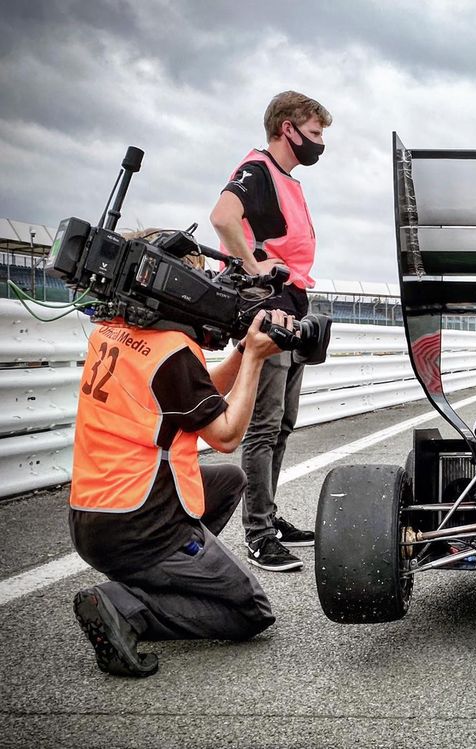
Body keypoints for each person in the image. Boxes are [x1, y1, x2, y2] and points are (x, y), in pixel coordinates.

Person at [70, 306, 292, 677]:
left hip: (91, 516)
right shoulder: (171, 351)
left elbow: (195, 389)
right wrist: (254, 357)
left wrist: (239, 352)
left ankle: (162, 578)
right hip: (142, 523)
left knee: (230, 481)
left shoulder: (111, 331)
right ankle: (127, 606)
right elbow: (226, 434)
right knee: (251, 610)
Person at [210, 91, 332, 572]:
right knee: (263, 426)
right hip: (270, 309)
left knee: (282, 422)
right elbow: (222, 216)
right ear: (288, 128)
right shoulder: (259, 169)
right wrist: (253, 266)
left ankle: (269, 514)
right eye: (316, 134)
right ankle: (258, 535)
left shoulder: (288, 179)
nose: (320, 144)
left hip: (293, 306)